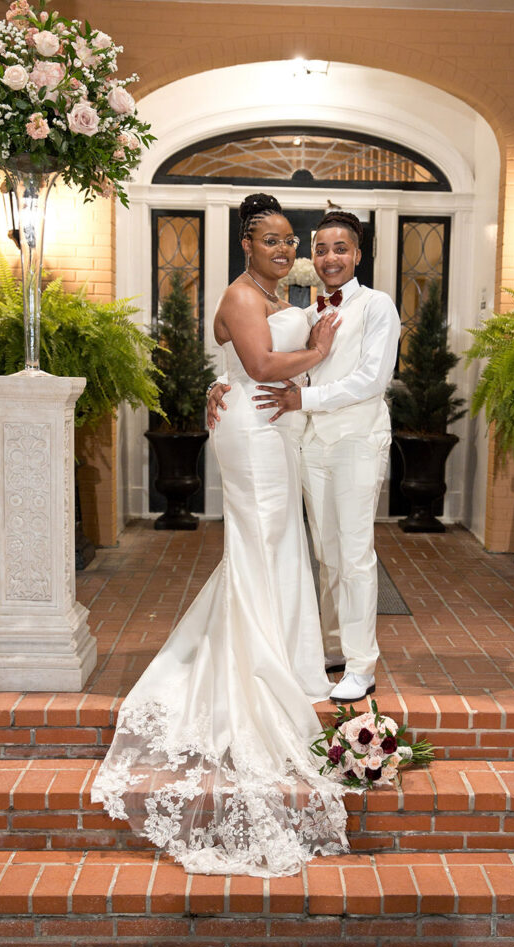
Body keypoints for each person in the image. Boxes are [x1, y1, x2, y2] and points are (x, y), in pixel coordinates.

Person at [91, 194, 348, 877]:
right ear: (246, 245)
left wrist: (221, 379)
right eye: (272, 241)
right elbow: (262, 367)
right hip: (254, 434)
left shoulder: (268, 292)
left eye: (290, 240)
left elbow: (235, 353)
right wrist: (317, 349)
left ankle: (286, 656)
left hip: (268, 429)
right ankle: (261, 662)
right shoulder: (242, 293)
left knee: (275, 543)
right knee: (263, 542)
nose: (286, 250)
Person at [209, 210, 401, 704]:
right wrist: (222, 384)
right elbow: (268, 359)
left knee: (355, 554)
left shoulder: (378, 306)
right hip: (309, 444)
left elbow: (371, 382)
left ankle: (361, 665)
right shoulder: (310, 311)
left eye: (341, 249)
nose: (329, 258)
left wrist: (303, 400)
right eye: (320, 249)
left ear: (357, 255)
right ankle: (334, 647)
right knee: (325, 553)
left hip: (357, 442)